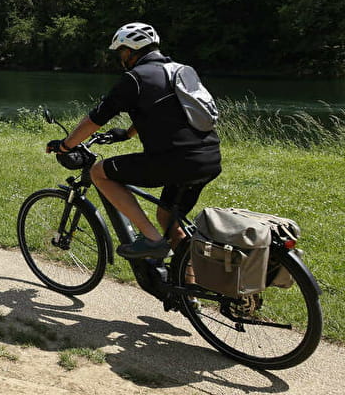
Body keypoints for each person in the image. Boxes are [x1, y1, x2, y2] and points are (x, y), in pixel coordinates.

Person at [47, 22, 221, 259]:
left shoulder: (135, 78)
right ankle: (188, 293)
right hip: (209, 158)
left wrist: (65, 145)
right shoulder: (180, 70)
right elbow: (166, 112)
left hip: (175, 161)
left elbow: (95, 119)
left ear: (129, 51)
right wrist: (128, 133)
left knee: (99, 173)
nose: (120, 58)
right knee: (168, 219)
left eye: (120, 52)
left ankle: (152, 240)